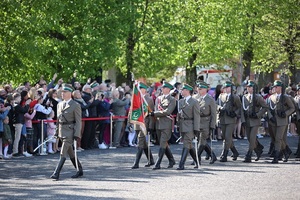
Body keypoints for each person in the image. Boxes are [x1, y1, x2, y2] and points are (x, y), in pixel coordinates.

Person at [50, 84, 83, 180]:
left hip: (70, 131)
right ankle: (79, 170)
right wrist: (56, 132)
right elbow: (58, 120)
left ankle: (56, 173)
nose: (62, 94)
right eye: (62, 92)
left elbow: (78, 121)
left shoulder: (75, 105)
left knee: (63, 152)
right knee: (71, 153)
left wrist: (77, 134)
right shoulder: (59, 104)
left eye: (64, 92)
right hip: (61, 131)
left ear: (69, 93)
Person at [267, 80, 295, 163]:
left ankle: (276, 156)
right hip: (273, 120)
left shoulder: (285, 97)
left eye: (277, 86)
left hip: (282, 120)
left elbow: (292, 108)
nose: (275, 88)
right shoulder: (271, 97)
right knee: (277, 138)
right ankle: (286, 151)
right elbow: (268, 108)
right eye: (274, 87)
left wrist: (285, 113)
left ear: (281, 88)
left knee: (278, 138)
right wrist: (270, 116)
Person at [150, 81, 176, 170]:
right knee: (163, 143)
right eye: (162, 88)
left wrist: (155, 113)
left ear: (168, 89)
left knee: (162, 143)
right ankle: (171, 160)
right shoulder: (158, 98)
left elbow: (167, 112)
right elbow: (156, 109)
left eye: (164, 88)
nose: (162, 89)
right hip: (158, 124)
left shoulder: (172, 100)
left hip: (166, 124)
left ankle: (158, 163)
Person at [241, 80, 268, 162]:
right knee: (249, 138)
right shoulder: (244, 97)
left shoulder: (258, 97)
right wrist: (243, 120)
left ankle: (249, 154)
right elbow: (242, 109)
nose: (248, 88)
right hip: (247, 120)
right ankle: (258, 149)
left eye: (250, 87)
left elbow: (265, 107)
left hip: (255, 120)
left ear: (254, 88)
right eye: (247, 87)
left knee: (252, 137)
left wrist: (258, 114)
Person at [177, 84, 200, 170]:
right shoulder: (181, 101)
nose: (181, 91)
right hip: (183, 125)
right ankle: (197, 161)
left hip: (190, 125)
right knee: (189, 145)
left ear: (187, 91)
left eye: (183, 90)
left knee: (186, 143)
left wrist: (196, 129)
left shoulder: (194, 102)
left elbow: (197, 116)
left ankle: (181, 164)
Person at [132, 82, 155, 169]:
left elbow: (151, 114)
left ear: (144, 90)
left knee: (140, 142)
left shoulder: (148, 99)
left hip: (144, 123)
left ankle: (136, 162)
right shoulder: (136, 99)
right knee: (144, 143)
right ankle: (151, 159)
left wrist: (151, 126)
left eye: (140, 89)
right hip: (137, 123)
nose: (139, 91)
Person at [216, 81, 241, 162]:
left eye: (228, 87)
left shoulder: (235, 97)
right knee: (226, 137)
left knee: (227, 137)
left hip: (230, 119)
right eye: (225, 87)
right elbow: (216, 105)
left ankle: (224, 154)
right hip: (223, 118)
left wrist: (235, 113)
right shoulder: (221, 96)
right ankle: (235, 152)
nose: (226, 89)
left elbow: (239, 108)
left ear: (231, 88)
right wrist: (220, 108)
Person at [193, 81, 217, 164]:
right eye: (198, 88)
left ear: (206, 90)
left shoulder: (210, 99)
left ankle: (196, 158)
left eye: (201, 89)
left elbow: (214, 113)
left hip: (206, 122)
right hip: (197, 122)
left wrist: (213, 125)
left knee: (202, 141)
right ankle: (212, 155)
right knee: (201, 141)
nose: (199, 90)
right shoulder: (195, 98)